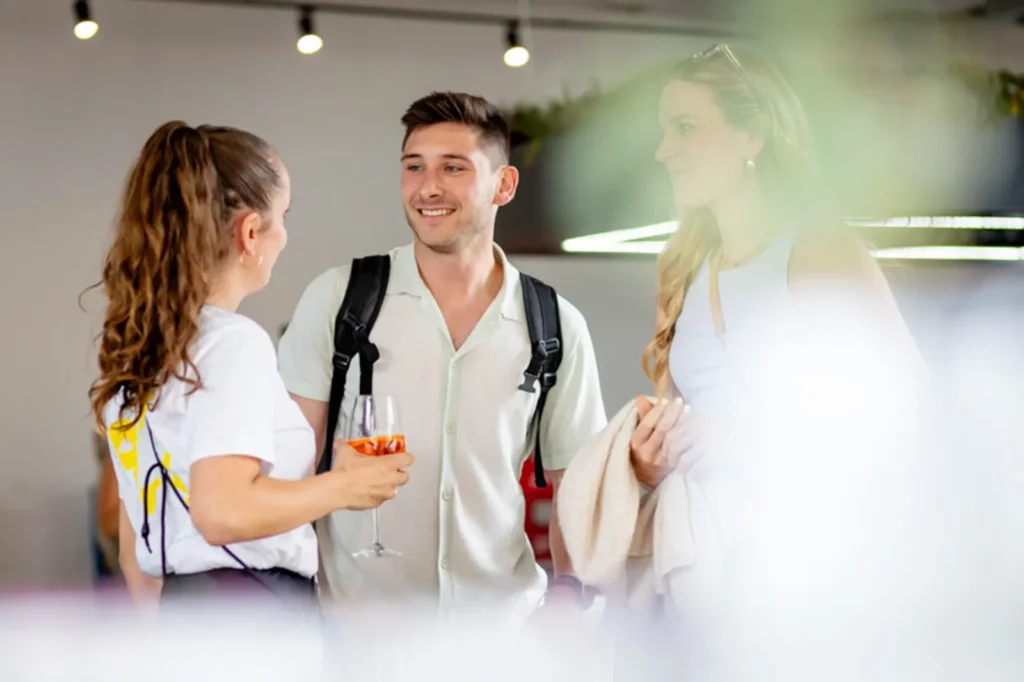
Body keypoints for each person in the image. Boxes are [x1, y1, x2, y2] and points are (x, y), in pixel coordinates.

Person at [278, 92, 608, 622]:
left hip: (501, 637)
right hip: (359, 635)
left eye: (453, 168)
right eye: (414, 167)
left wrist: (572, 596)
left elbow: (578, 487)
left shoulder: (556, 324)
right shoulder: (339, 299)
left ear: (504, 185)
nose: (428, 187)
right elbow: (288, 465)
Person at [625, 43, 925, 625]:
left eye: (686, 127)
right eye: (663, 131)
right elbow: (685, 428)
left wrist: (746, 446)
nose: (664, 151)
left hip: (814, 580)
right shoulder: (688, 267)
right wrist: (649, 459)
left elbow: (904, 418)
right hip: (704, 578)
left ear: (753, 135)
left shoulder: (818, 250)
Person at [88, 121, 412, 610]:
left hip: (182, 615)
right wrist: (345, 485)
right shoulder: (231, 344)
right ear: (251, 232)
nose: (284, 235)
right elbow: (223, 512)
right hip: (255, 611)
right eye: (283, 216)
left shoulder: (142, 352)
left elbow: (139, 545)